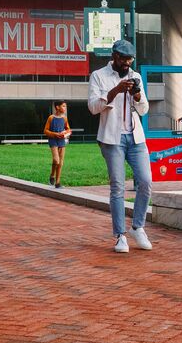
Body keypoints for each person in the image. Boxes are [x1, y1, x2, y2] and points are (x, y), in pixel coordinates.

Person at [87, 39, 152, 253]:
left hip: (136, 138)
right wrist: (114, 91)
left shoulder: (136, 76)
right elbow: (93, 108)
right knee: (118, 187)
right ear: (114, 56)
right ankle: (120, 236)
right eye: (123, 59)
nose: (127, 63)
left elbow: (143, 110)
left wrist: (137, 95)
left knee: (145, 182)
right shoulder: (99, 76)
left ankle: (138, 227)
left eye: (130, 59)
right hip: (112, 138)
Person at [44, 100, 71, 188]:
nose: (65, 108)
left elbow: (68, 130)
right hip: (53, 140)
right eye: (63, 106)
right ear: (57, 107)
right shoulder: (51, 118)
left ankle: (58, 182)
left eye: (65, 106)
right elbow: (45, 131)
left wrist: (65, 133)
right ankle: (52, 175)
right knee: (56, 160)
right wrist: (55, 134)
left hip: (61, 141)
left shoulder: (64, 118)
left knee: (60, 162)